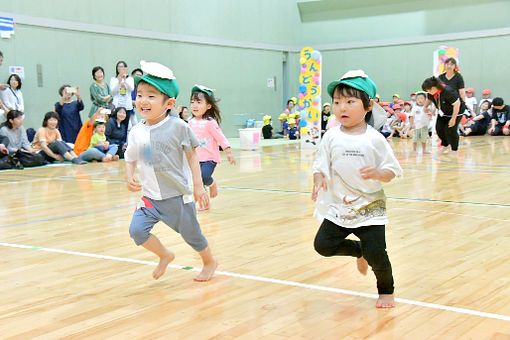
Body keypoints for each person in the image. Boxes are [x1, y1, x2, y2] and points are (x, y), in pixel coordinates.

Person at [312, 70, 402, 309]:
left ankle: (386, 291)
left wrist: (378, 173)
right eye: (338, 101)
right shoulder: (331, 136)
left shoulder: (375, 139)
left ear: (368, 105)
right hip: (340, 206)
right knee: (323, 245)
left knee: (378, 256)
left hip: (370, 208)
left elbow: (392, 170)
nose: (343, 107)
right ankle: (358, 250)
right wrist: (319, 178)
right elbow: (320, 163)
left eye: (350, 101)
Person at [125, 60, 217, 281]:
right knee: (137, 231)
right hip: (150, 197)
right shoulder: (137, 131)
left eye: (151, 96)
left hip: (177, 196)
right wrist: (130, 176)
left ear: (169, 103)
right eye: (139, 94)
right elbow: (131, 158)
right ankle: (165, 255)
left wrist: (197, 186)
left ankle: (209, 261)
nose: (143, 101)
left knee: (192, 235)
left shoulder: (178, 127)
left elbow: (192, 156)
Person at [188, 84, 236, 202]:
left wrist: (228, 152)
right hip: (194, 158)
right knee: (197, 182)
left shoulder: (210, 122)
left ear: (208, 106)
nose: (194, 105)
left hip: (209, 158)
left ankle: (212, 183)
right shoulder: (190, 122)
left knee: (204, 177)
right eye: (192, 102)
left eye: (199, 102)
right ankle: (203, 203)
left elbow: (221, 137)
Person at [422, 76, 465, 153]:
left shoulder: (448, 91)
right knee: (439, 129)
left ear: (434, 87)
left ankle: (454, 149)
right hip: (443, 112)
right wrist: (425, 106)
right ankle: (445, 145)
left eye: (429, 90)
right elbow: (429, 99)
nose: (428, 92)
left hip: (456, 111)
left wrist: (453, 119)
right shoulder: (431, 93)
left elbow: (457, 104)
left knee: (451, 130)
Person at [110, 61, 136, 129]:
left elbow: (131, 88)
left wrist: (125, 79)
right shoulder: (113, 79)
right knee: (117, 125)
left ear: (126, 68)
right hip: (117, 105)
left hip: (127, 105)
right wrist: (118, 82)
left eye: (122, 67)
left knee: (128, 126)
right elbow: (113, 92)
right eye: (119, 67)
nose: (120, 68)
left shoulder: (130, 79)